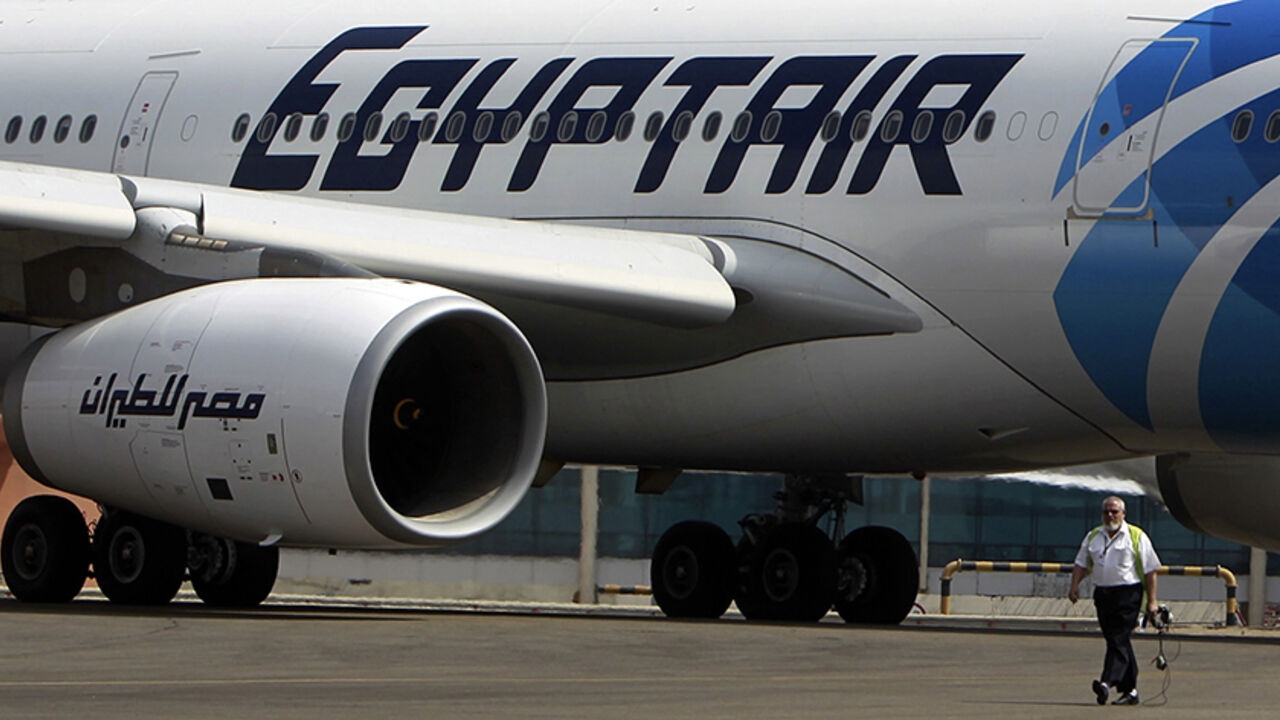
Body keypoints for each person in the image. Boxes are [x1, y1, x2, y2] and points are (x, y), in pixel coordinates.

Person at [1068, 495, 1160, 706]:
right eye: (1106, 511)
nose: (1110, 515)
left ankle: (1106, 682)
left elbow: (1151, 570)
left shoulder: (1136, 536)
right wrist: (1074, 586)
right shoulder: (1094, 536)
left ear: (1123, 514)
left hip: (1128, 595)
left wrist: (1152, 601)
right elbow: (1081, 563)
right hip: (1103, 594)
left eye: (1114, 511)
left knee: (1118, 637)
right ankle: (1130, 691)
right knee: (1117, 640)